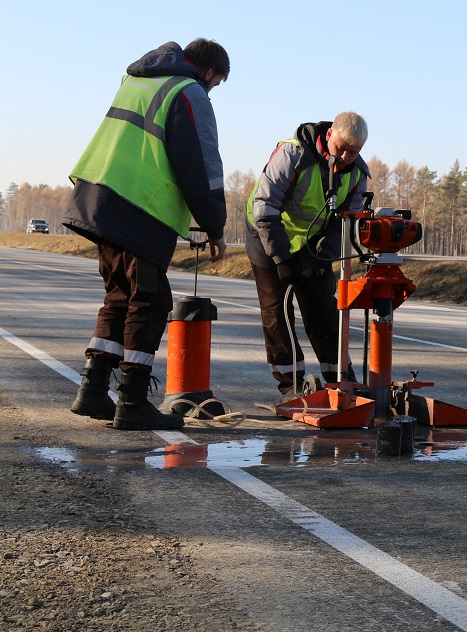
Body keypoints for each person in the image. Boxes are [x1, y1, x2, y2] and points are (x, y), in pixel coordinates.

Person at [64, 39, 230, 431]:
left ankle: (93, 388)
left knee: (119, 295)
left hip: (102, 197)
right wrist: (215, 226)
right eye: (217, 84)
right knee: (150, 302)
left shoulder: (137, 80)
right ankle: (133, 400)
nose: (212, 92)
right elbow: (200, 167)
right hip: (140, 208)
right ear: (208, 72)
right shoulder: (188, 91)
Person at [245, 112, 370, 409]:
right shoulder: (293, 155)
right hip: (268, 235)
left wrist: (324, 254)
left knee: (323, 308)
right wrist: (281, 259)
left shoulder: (357, 174)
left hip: (310, 244)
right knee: (278, 312)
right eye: (342, 148)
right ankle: (291, 385)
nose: (346, 156)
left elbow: (344, 222)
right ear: (329, 136)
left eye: (354, 152)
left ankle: (340, 380)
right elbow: (265, 206)